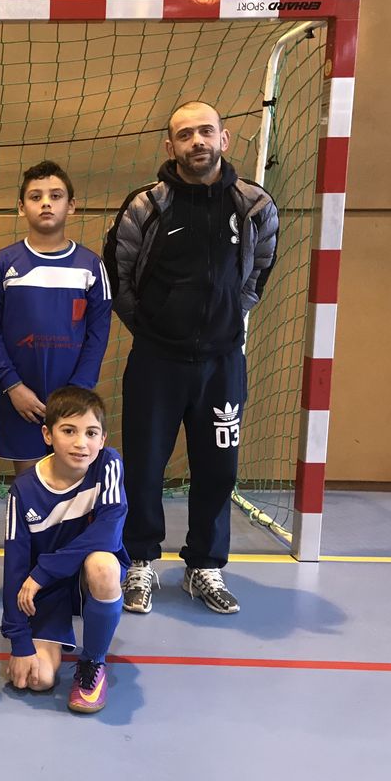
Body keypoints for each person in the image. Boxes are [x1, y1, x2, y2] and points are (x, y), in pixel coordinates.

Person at [104, 101, 279, 615]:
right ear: (170, 147)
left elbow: (259, 272)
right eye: (185, 134)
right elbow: (119, 274)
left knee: (218, 468)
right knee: (144, 467)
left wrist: (225, 320)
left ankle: (204, 565)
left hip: (222, 365)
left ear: (224, 139)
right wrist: (153, 327)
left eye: (206, 131)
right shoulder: (146, 206)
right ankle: (140, 561)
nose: (197, 141)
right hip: (156, 363)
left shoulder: (254, 205)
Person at [0, 160, 112, 477]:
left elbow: (98, 333)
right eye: (36, 197)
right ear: (21, 207)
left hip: (74, 399)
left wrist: (78, 391)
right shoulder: (2, 263)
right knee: (29, 485)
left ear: (72, 206)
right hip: (21, 400)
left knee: (70, 484)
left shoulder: (91, 266)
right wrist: (12, 385)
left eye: (56, 195)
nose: (46, 203)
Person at [2, 387, 128, 713]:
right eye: (69, 431)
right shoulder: (24, 490)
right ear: (48, 434)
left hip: (74, 576)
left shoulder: (108, 464)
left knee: (104, 565)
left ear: (103, 439)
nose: (81, 443)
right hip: (49, 590)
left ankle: (93, 662)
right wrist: (19, 642)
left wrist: (44, 571)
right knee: (37, 679)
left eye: (91, 433)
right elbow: (15, 567)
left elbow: (109, 533)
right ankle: (49, 637)